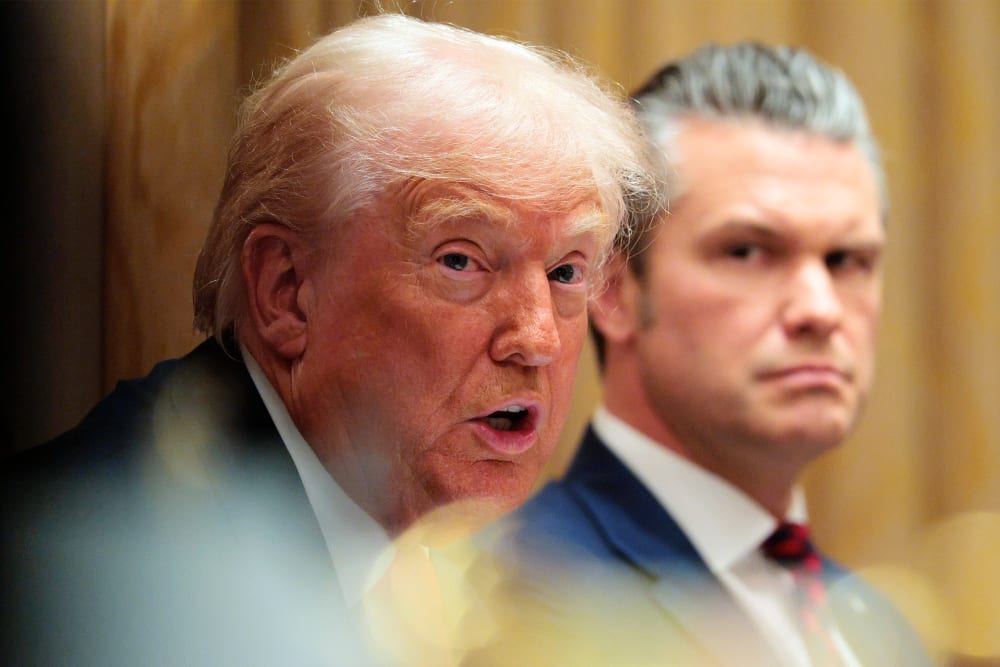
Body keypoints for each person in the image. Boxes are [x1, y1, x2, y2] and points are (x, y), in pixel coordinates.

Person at [0, 13, 660, 666]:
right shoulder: (113, 572)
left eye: (566, 272)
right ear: (287, 291)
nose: (538, 339)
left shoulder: (459, 562)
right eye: (462, 261)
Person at [462, 42, 933, 666]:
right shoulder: (512, 600)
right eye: (747, 252)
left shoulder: (882, 628)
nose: (820, 309)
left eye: (847, 260)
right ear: (612, 289)